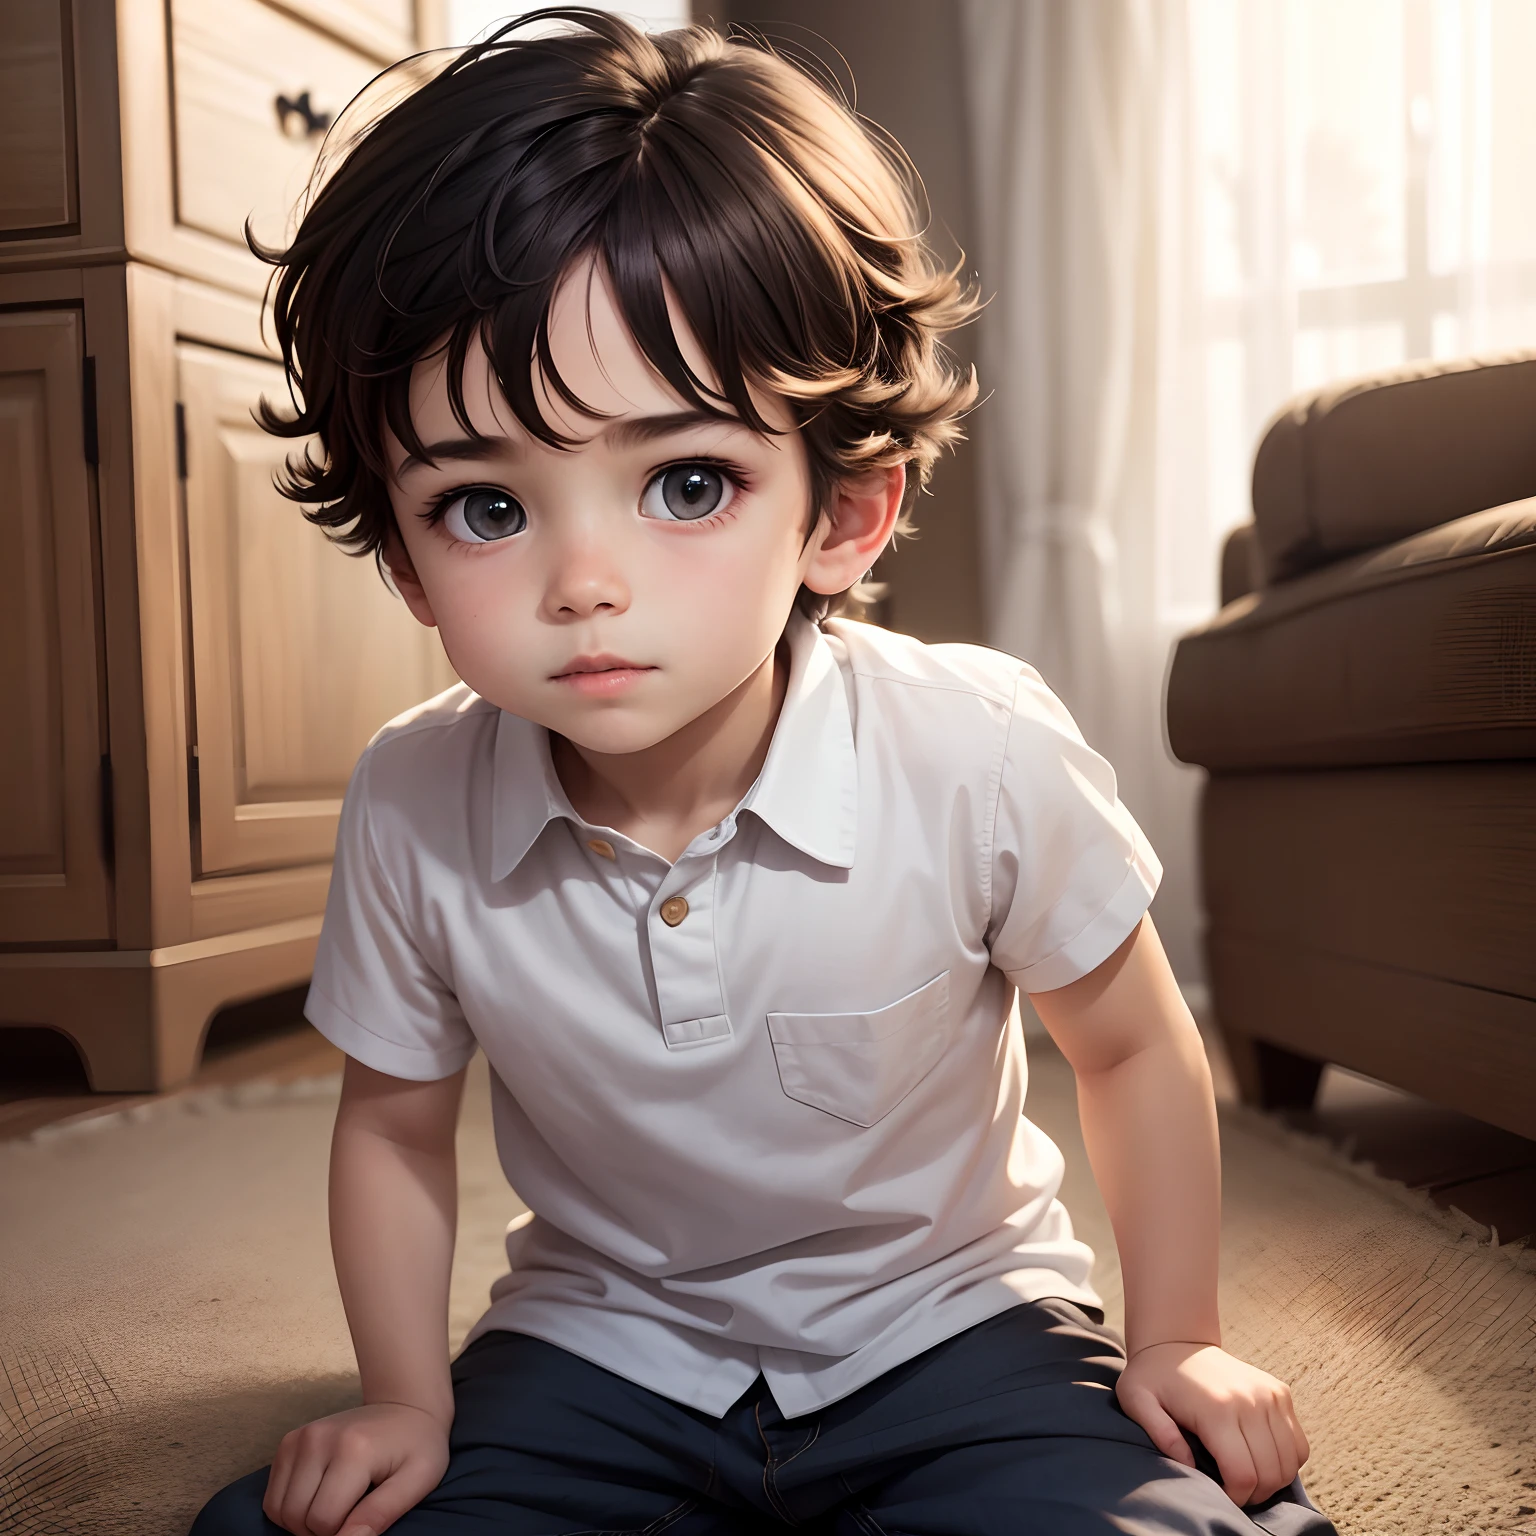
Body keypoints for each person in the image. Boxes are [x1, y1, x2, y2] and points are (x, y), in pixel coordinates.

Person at [191, 11, 1335, 1535]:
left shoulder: (976, 750)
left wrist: (1178, 1331)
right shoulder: (412, 800)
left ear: (845, 513)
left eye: (686, 483)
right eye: (482, 507)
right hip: (596, 1346)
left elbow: (1129, 1046)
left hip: (953, 1327)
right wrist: (405, 1395)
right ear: (400, 552)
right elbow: (395, 1129)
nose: (582, 583)